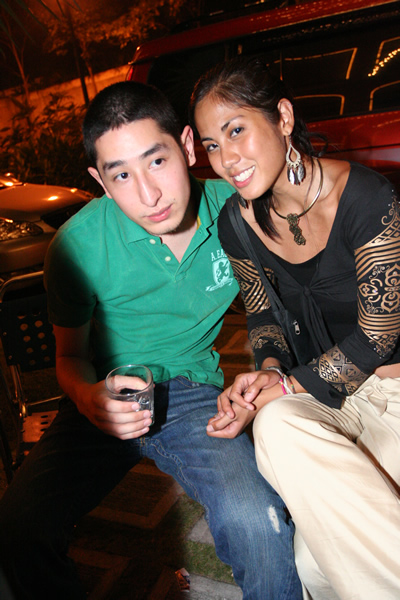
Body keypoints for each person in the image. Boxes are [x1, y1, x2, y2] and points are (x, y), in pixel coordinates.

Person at [0, 81, 303, 600]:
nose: (149, 195)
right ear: (99, 181)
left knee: (259, 520)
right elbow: (69, 355)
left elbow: (281, 303)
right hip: (104, 392)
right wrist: (89, 398)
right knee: (16, 532)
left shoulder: (236, 211)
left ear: (186, 146)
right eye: (121, 175)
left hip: (193, 392)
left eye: (157, 161)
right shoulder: (74, 247)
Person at [190, 55, 400, 600]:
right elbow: (263, 316)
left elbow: (377, 336)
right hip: (331, 401)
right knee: (277, 421)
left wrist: (288, 384)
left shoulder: (367, 197)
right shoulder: (237, 223)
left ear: (282, 117)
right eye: (211, 144)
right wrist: (268, 370)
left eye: (236, 130)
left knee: (315, 569)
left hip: (394, 396)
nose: (226, 159)